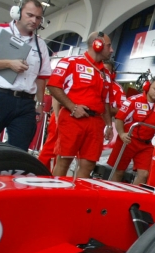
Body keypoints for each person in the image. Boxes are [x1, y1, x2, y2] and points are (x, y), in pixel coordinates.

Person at [0, 0, 51, 150]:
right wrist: (8, 63)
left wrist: (40, 104)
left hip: (26, 103)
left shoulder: (41, 45)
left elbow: (41, 77)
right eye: (30, 15)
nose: (34, 20)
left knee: (19, 151)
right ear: (17, 13)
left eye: (38, 18)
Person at [47, 31, 114, 178]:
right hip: (72, 119)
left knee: (89, 164)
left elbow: (106, 102)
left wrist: (109, 125)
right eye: (109, 46)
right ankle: (56, 190)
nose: (111, 50)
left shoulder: (106, 74)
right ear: (97, 44)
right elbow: (53, 85)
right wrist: (72, 107)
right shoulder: (70, 62)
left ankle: (76, 192)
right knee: (64, 160)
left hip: (96, 123)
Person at [107, 77, 155, 185]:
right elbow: (119, 118)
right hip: (127, 140)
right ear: (147, 87)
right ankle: (111, 193)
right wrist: (122, 134)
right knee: (119, 172)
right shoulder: (133, 100)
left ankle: (132, 195)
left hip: (146, 145)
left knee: (144, 174)